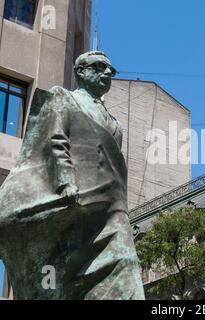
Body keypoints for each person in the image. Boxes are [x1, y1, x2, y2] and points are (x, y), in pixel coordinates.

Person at [0, 51, 145, 300]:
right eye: (100, 67)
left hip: (110, 209)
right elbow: (55, 139)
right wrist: (65, 181)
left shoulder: (115, 123)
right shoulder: (64, 98)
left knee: (126, 261)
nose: (108, 73)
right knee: (61, 270)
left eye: (111, 70)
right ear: (81, 71)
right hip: (74, 200)